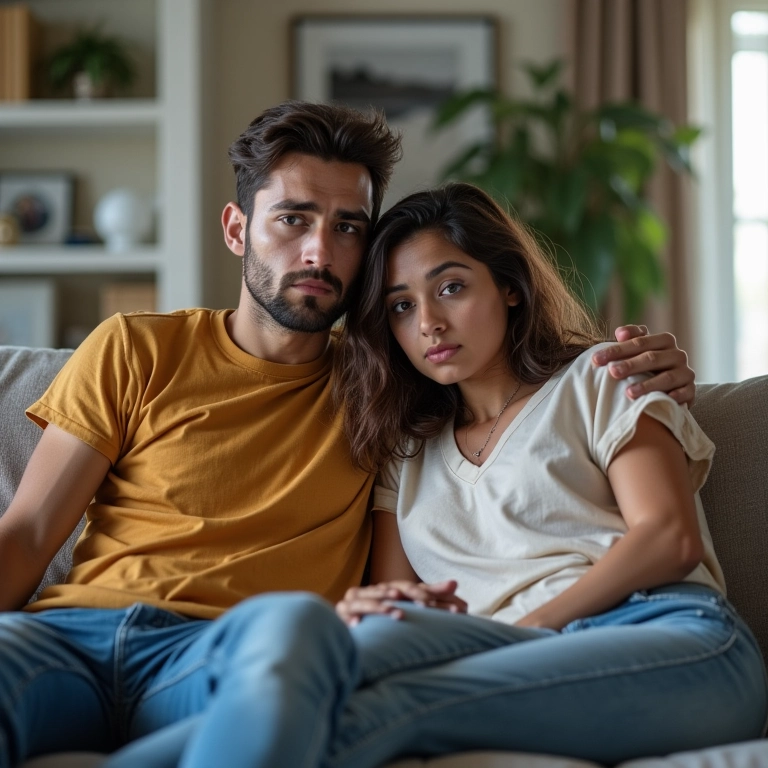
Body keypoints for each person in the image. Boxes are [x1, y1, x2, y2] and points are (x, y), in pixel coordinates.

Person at [0, 103, 700, 767]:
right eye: (294, 219)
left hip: (232, 653)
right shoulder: (134, 348)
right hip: (67, 639)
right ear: (238, 229)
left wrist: (641, 365)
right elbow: (30, 535)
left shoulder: (389, 391)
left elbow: (522, 374)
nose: (320, 250)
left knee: (299, 630)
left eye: (348, 227)